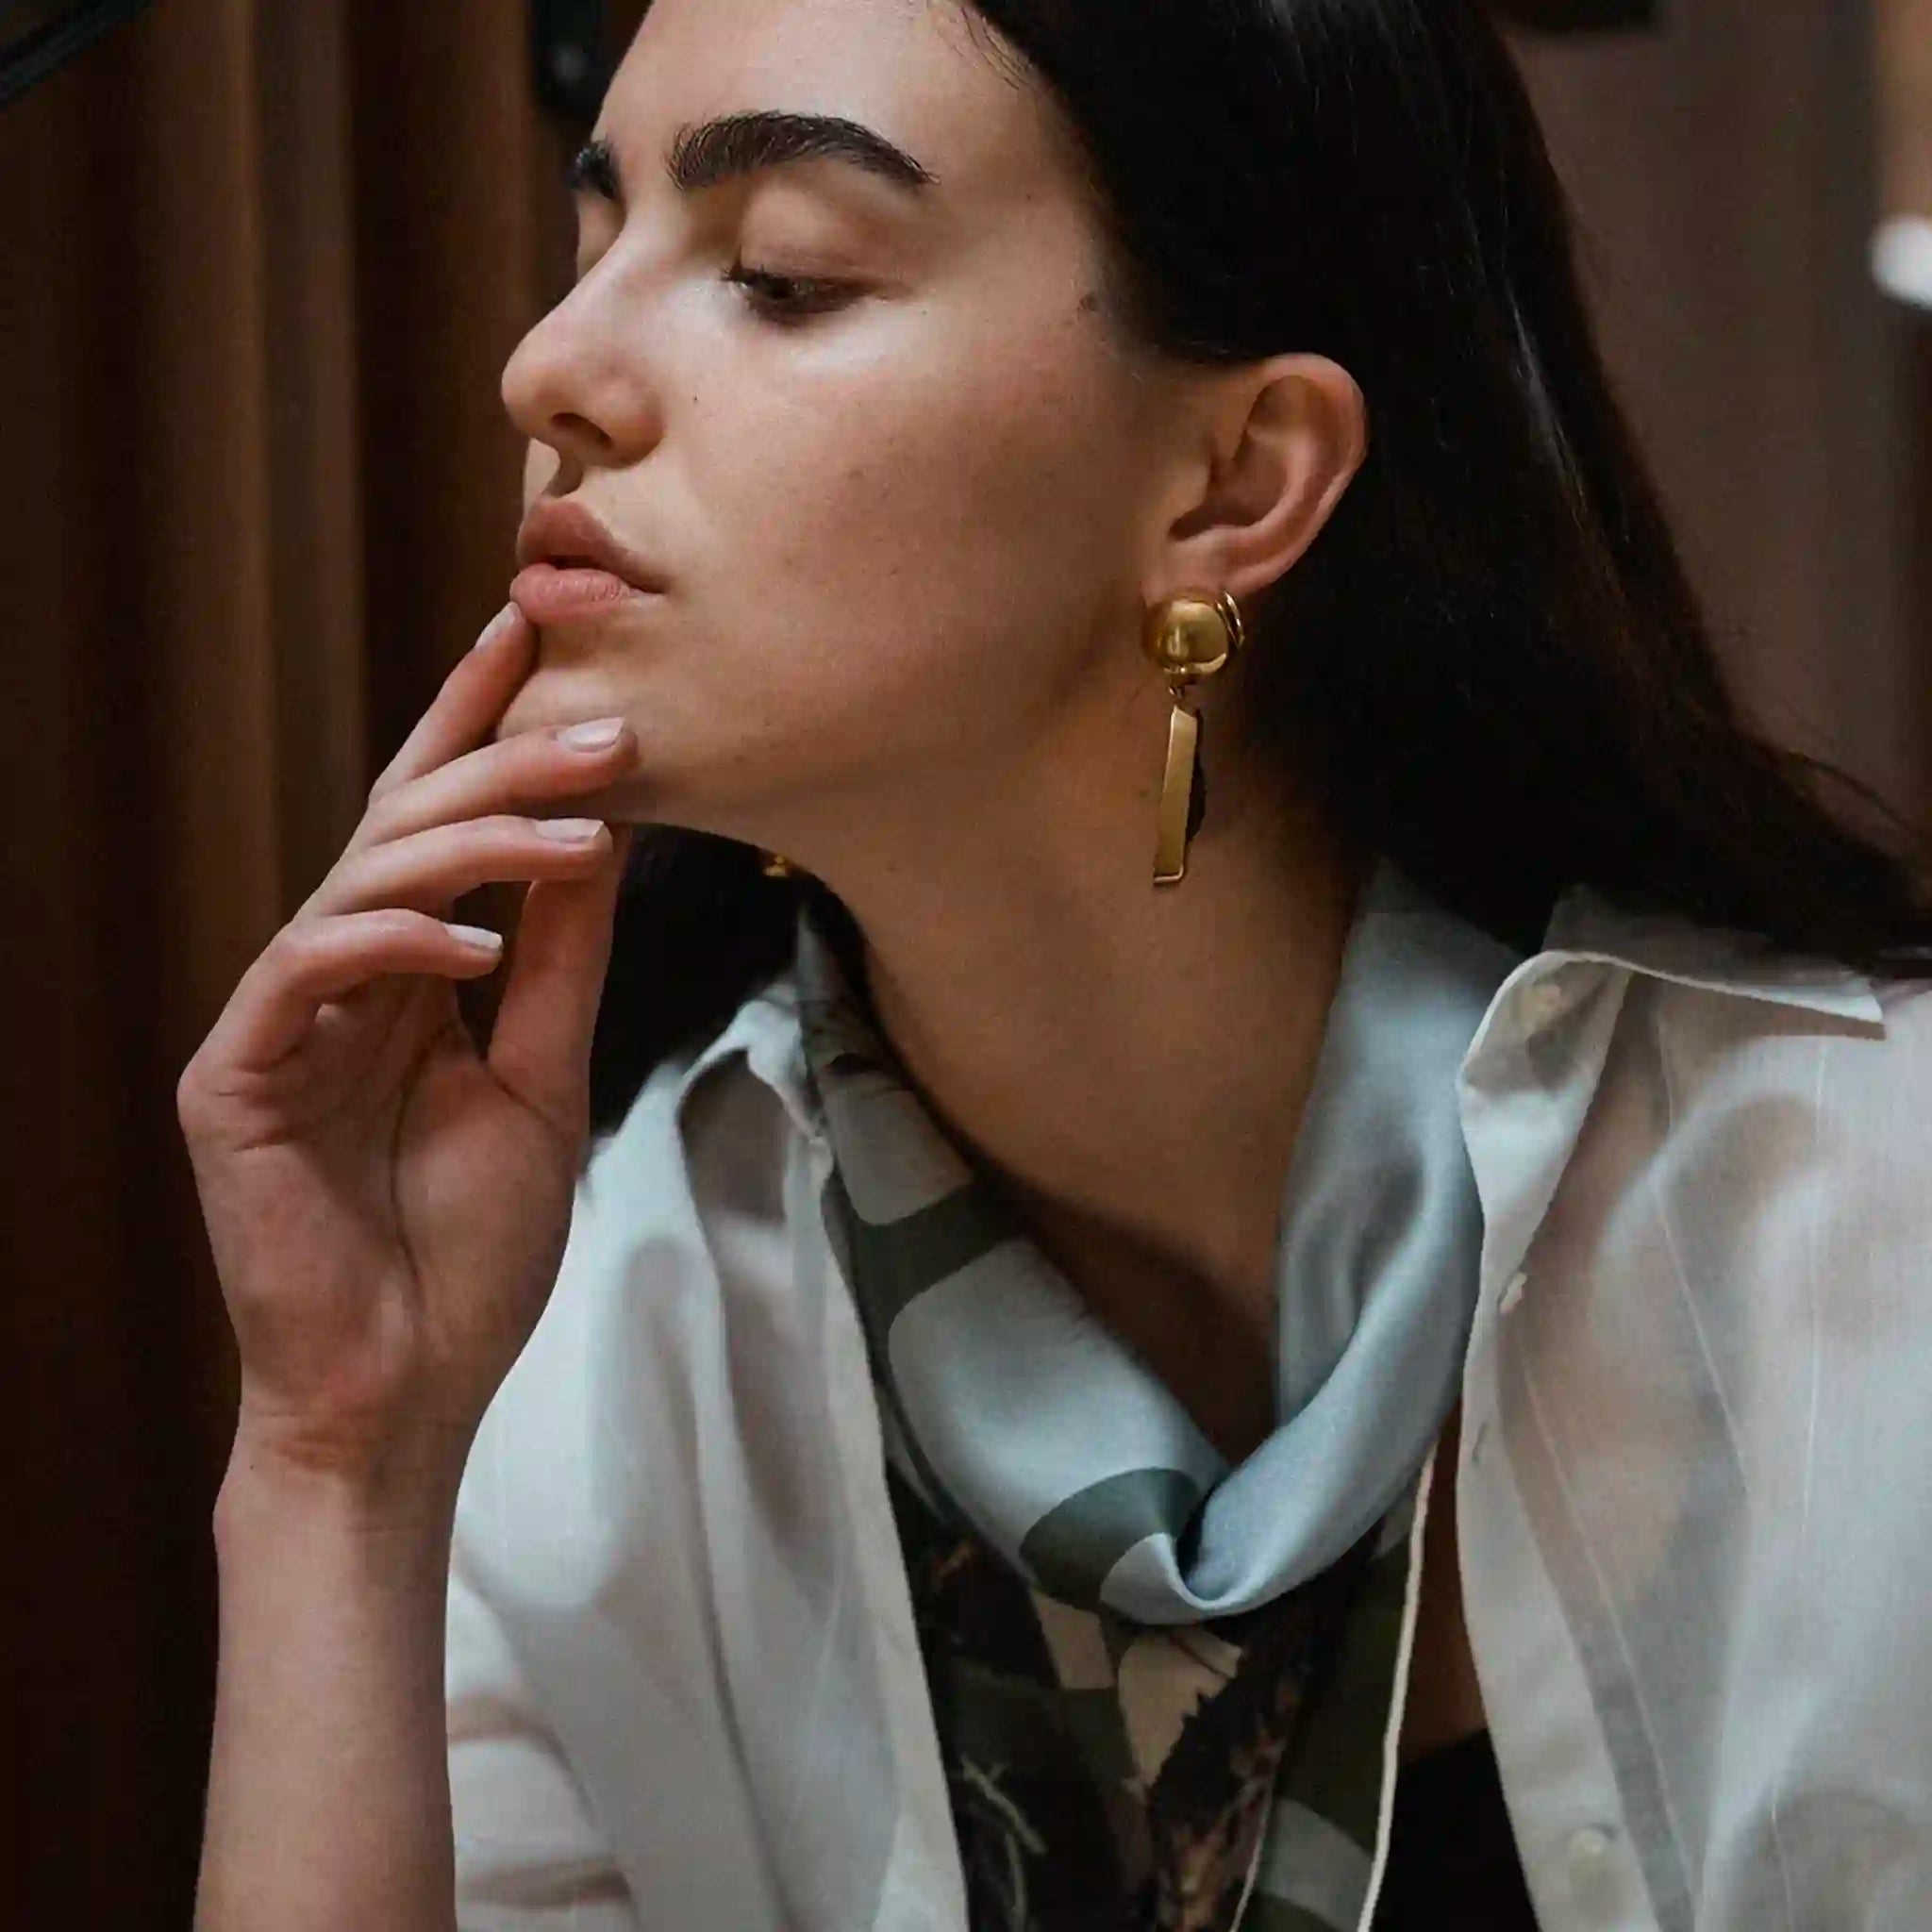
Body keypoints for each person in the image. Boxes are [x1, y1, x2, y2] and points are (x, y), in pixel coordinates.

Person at [177, 1, 1932, 1927]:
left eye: (781, 273)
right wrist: (337, 1470)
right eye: (594, 244)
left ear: (1237, 479)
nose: (549, 366)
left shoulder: (1865, 1228)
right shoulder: (614, 1358)